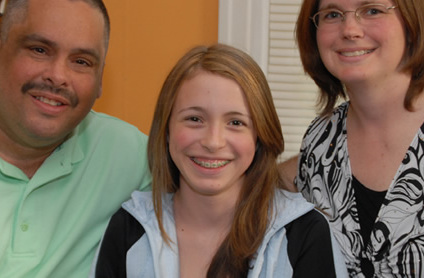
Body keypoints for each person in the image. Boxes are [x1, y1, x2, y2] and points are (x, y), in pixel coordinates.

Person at [90, 44, 348, 277]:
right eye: (194, 119)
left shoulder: (303, 234)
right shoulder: (129, 229)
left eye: (236, 123)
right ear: (166, 130)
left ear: (259, 136)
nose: (213, 142)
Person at [0, 0, 151, 277]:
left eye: (81, 61)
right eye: (39, 50)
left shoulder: (127, 155)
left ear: (100, 82)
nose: (58, 76)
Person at [278, 0, 424, 277]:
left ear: (411, 17)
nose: (350, 29)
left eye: (372, 10)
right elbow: (281, 179)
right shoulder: (321, 140)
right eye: (332, 14)